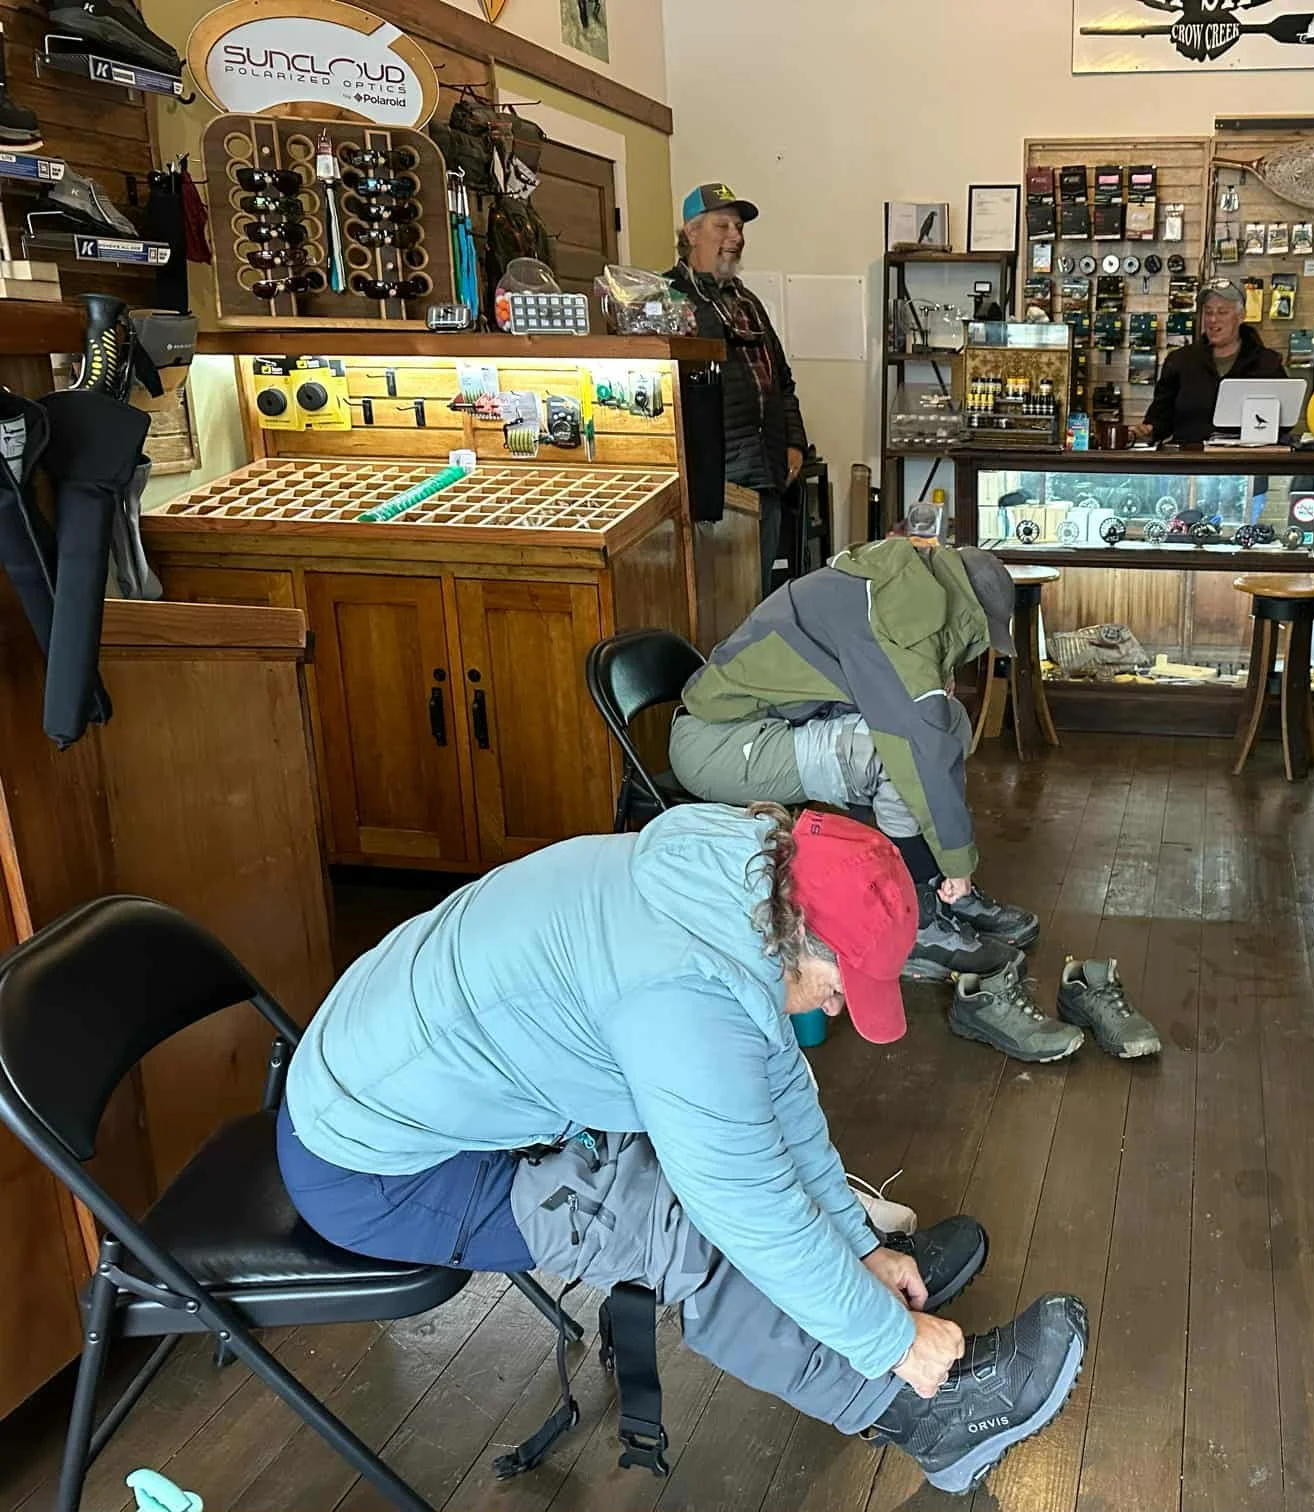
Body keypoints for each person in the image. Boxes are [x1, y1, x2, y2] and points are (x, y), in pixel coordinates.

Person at [277, 803, 1088, 1496]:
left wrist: (861, 1247)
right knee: (681, 1225)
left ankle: (861, 1304)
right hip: (376, 1168)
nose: (840, 1012)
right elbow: (746, 1209)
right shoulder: (682, 998)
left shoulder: (734, 893)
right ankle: (925, 1412)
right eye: (841, 987)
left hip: (417, 1085)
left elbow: (779, 1091)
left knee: (725, 1165)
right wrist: (892, 1341)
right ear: (800, 942)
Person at [664, 538, 1133, 1063]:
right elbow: (914, 746)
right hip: (721, 744)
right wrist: (959, 859)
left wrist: (956, 860)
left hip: (761, 726)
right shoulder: (906, 621)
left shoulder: (901, 590)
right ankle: (918, 920)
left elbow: (932, 725)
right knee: (889, 756)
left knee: (945, 722)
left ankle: (934, 893)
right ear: (970, 615)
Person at [667, 183, 806, 595]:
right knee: (719, 599)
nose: (736, 237)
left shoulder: (747, 302)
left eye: (739, 227)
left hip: (766, 475)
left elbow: (782, 380)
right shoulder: (669, 298)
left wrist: (794, 443)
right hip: (714, 485)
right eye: (723, 225)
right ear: (691, 232)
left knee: (758, 596)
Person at [1140, 278, 1288, 446]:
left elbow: (1283, 423)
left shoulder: (1267, 363)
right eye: (1208, 312)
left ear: (1241, 316)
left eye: (1222, 312)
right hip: (1191, 464)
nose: (1212, 320)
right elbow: (1160, 419)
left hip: (1246, 464)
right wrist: (1145, 432)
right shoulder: (1180, 361)